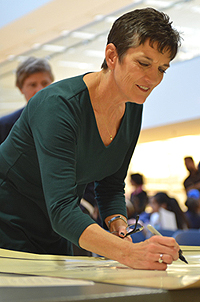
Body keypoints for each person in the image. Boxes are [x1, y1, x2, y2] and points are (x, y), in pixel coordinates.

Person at [0, 8, 181, 270]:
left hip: (57, 229)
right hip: (7, 224)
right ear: (111, 55)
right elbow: (62, 208)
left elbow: (110, 185)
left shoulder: (132, 107)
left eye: (162, 68)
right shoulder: (58, 106)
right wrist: (128, 254)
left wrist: (119, 225)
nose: (153, 79)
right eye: (143, 63)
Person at [0, 57, 54, 144]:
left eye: (45, 83)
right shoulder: (4, 126)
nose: (40, 90)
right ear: (20, 88)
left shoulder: (70, 118)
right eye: (32, 85)